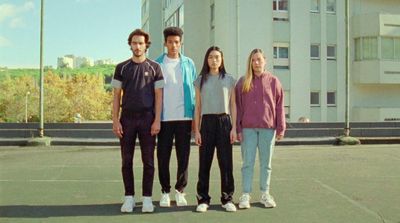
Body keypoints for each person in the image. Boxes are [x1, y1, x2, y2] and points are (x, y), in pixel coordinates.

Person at [111, 29, 164, 213]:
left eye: (141, 43)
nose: (138, 46)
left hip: (148, 119)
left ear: (146, 45)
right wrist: (115, 121)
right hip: (127, 119)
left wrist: (157, 120)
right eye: (134, 43)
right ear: (130, 45)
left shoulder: (155, 67)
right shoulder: (121, 68)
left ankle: (147, 199)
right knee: (127, 161)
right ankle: (129, 198)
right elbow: (116, 96)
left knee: (148, 161)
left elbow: (159, 96)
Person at [235, 48, 286, 209]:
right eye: (253, 60)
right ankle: (246, 194)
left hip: (268, 129)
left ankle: (265, 193)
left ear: (265, 61)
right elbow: (237, 107)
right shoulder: (242, 82)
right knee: (247, 163)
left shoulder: (274, 81)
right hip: (248, 129)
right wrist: (237, 128)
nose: (256, 62)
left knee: (266, 163)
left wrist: (281, 127)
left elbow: (279, 106)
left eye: (259, 59)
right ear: (250, 62)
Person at [155, 27, 197, 207]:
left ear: (181, 43)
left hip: (184, 118)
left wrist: (195, 119)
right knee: (162, 157)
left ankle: (180, 191)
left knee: (183, 157)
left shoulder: (189, 63)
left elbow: (195, 93)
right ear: (165, 43)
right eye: (170, 42)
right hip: (164, 118)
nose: (173, 45)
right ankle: (165, 191)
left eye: (177, 42)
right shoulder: (157, 64)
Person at [193, 46, 237, 212]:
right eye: (211, 57)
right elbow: (197, 107)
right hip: (207, 122)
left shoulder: (229, 79)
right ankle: (203, 199)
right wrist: (197, 130)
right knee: (204, 162)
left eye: (217, 57)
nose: (214, 60)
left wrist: (233, 128)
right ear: (207, 59)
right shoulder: (200, 80)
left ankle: (227, 199)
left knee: (226, 162)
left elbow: (233, 105)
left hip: (224, 121)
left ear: (222, 59)